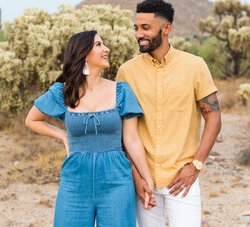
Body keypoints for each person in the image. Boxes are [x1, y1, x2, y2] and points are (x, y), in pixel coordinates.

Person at [25, 30, 154, 227]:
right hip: (75, 180)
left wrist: (147, 179)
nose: (107, 49)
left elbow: (132, 139)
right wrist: (62, 135)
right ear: (83, 53)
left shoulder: (121, 91)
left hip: (117, 179)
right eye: (99, 45)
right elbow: (32, 120)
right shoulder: (63, 91)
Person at [116, 0, 222, 227]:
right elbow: (123, 129)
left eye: (145, 28)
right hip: (144, 181)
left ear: (166, 29)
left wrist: (196, 165)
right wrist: (136, 176)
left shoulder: (195, 66)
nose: (138, 34)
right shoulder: (127, 71)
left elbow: (213, 117)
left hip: (182, 179)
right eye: (136, 28)